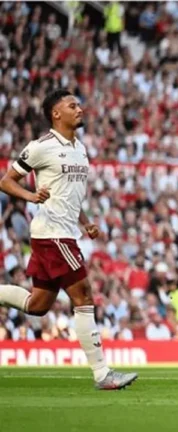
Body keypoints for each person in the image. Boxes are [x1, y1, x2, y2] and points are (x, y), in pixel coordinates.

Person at [0, 89, 137, 390]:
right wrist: (31, 196)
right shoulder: (41, 147)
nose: (80, 109)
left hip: (63, 231)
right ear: (56, 114)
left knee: (37, 305)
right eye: (72, 105)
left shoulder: (80, 148)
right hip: (54, 235)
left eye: (79, 104)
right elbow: (6, 180)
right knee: (84, 297)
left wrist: (86, 222)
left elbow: (70, 195)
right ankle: (102, 374)